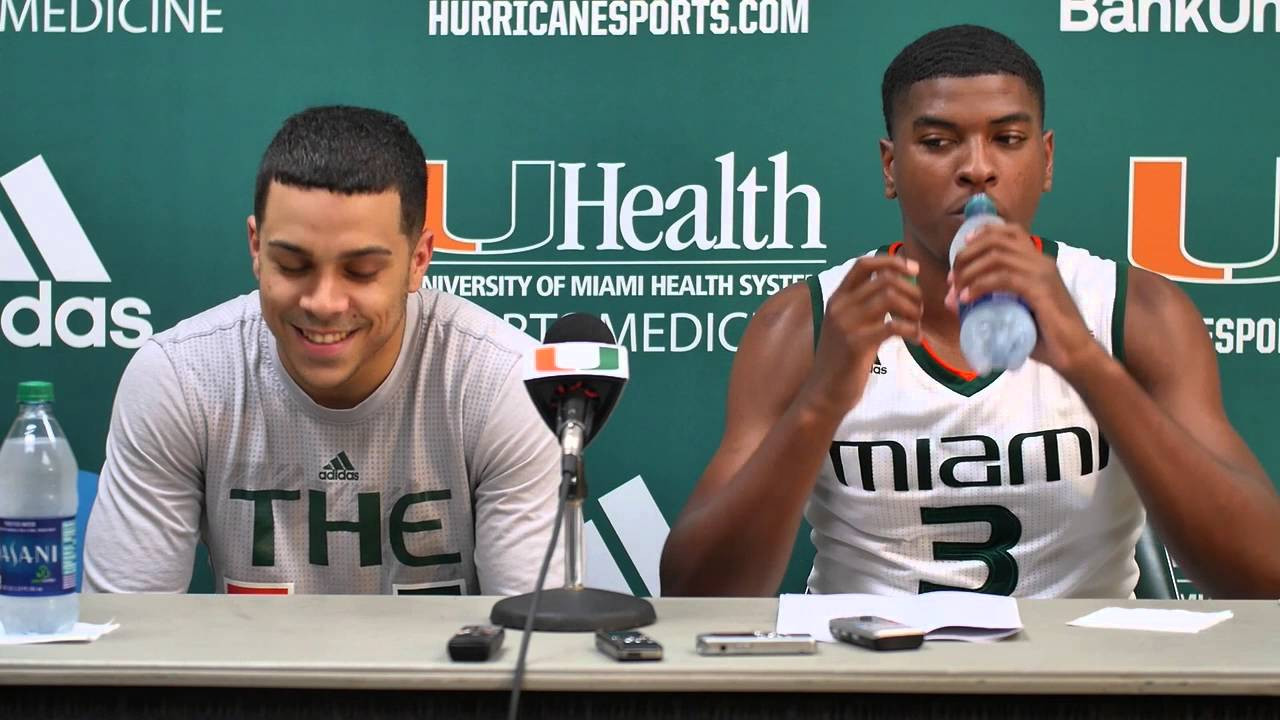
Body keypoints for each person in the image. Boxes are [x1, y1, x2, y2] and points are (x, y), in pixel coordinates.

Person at [660, 25, 1280, 599]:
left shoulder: (1133, 310)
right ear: (890, 165)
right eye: (937, 142)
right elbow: (695, 595)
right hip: (864, 681)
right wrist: (821, 400)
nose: (978, 168)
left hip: (1081, 681)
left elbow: (1262, 577)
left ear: (1047, 160)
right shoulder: (807, 323)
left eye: (1008, 140)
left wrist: (1086, 361)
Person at [84, 106, 563, 595]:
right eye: (292, 265)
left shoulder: (503, 381)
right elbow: (125, 642)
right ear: (255, 248)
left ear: (418, 261)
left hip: (442, 676)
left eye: (361, 271)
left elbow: (535, 643)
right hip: (250, 675)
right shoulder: (181, 378)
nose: (323, 303)